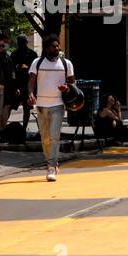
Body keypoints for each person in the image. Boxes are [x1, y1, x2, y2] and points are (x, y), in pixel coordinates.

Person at [28, 34, 76, 182]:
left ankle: (51, 166)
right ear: (47, 48)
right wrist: (30, 93)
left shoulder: (66, 63)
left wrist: (66, 88)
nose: (57, 48)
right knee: (45, 138)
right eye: (53, 46)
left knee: (54, 136)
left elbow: (72, 83)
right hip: (41, 105)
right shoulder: (37, 62)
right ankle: (51, 162)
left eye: (57, 46)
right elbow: (31, 81)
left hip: (58, 105)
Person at [8, 34, 37, 125]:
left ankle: (24, 127)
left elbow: (35, 70)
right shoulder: (14, 54)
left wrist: (27, 67)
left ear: (26, 42)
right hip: (17, 84)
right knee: (10, 106)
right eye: (19, 42)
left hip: (27, 84)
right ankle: (3, 126)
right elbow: (11, 69)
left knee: (27, 108)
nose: (21, 44)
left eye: (22, 42)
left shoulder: (32, 54)